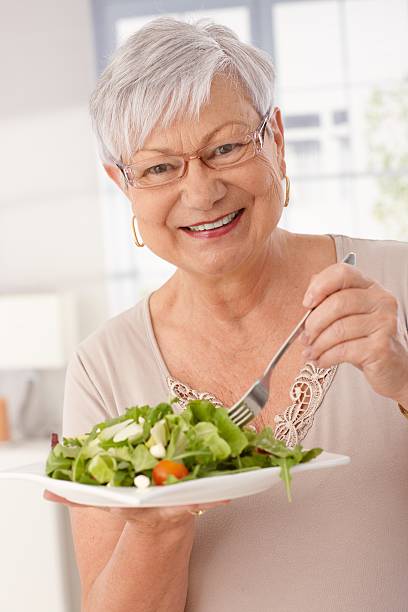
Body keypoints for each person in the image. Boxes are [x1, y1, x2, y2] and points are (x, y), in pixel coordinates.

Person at [45, 18, 408, 612]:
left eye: (226, 147)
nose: (202, 192)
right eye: (161, 167)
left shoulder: (395, 285)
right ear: (122, 184)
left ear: (278, 140)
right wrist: (156, 524)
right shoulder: (103, 368)